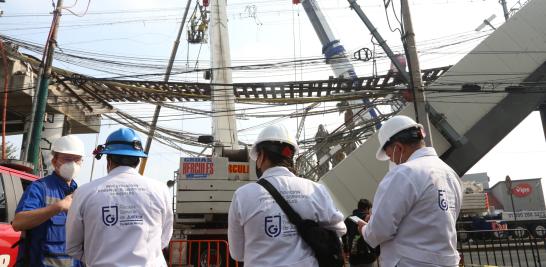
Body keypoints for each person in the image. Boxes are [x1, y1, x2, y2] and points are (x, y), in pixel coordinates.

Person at [228, 124, 346, 267]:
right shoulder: (315, 189)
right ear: (291, 157)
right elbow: (340, 229)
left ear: (262, 155)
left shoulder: (242, 196)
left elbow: (237, 253)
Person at [357, 115, 463, 267]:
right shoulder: (451, 174)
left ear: (399, 148)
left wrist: (365, 229)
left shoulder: (403, 173)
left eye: (389, 155)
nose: (392, 161)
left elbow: (379, 231)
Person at [65, 127, 173, 266]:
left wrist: (99, 258)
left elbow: (73, 247)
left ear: (108, 159)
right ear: (138, 160)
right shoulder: (160, 189)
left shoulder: (84, 192)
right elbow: (163, 239)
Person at [12, 135, 85, 267]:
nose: (73, 165)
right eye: (67, 159)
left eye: (77, 160)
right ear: (54, 161)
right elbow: (18, 223)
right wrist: (59, 207)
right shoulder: (40, 188)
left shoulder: (80, 193)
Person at [343, 199, 378, 267]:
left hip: (354, 258)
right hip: (368, 257)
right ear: (367, 208)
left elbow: (343, 234)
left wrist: (346, 249)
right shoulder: (369, 219)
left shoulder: (348, 219)